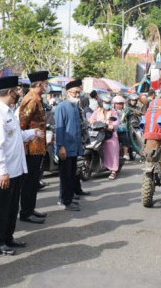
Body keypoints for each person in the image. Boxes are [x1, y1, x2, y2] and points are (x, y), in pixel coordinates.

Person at [0, 76, 42, 255]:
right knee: (0, 209)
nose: (19, 93)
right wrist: (2, 171)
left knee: (11, 207)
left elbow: (15, 138)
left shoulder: (8, 111)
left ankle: (8, 237)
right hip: (3, 171)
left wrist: (32, 133)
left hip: (15, 169)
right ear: (9, 92)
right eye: (17, 90)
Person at [18, 71, 49, 224]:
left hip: (38, 146)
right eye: (45, 83)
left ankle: (30, 209)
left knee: (34, 180)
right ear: (38, 84)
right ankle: (25, 212)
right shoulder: (31, 100)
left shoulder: (37, 99)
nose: (46, 86)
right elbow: (22, 124)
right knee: (30, 181)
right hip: (31, 147)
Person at [55, 80, 84, 211]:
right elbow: (59, 128)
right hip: (65, 148)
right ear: (68, 93)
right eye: (75, 92)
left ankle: (67, 198)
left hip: (74, 148)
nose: (78, 94)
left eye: (79, 92)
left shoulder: (75, 106)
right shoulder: (62, 107)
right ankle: (66, 201)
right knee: (65, 176)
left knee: (71, 174)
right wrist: (61, 146)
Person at [89, 94, 120, 180]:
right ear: (101, 103)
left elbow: (116, 122)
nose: (108, 104)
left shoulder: (113, 112)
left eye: (109, 103)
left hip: (110, 134)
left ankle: (113, 171)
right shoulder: (97, 111)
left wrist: (112, 126)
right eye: (106, 102)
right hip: (99, 134)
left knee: (112, 148)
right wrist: (94, 122)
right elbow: (91, 119)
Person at [113, 95, 129, 161]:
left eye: (121, 104)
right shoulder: (112, 111)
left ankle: (125, 153)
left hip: (122, 130)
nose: (119, 106)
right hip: (114, 131)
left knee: (126, 140)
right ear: (114, 104)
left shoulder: (124, 112)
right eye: (117, 104)